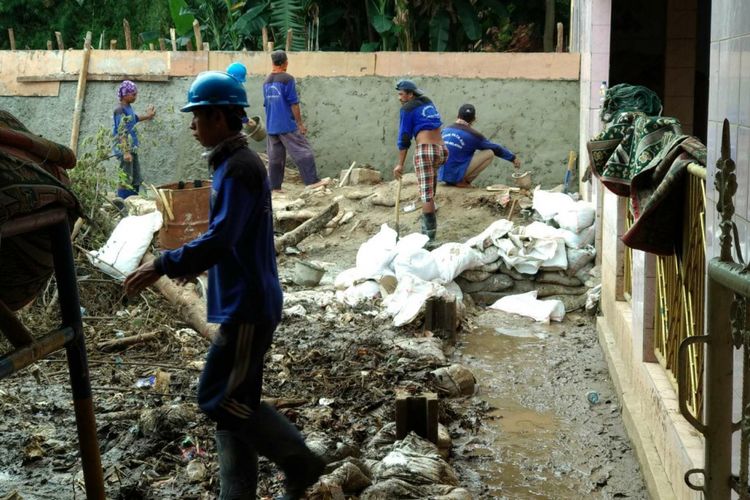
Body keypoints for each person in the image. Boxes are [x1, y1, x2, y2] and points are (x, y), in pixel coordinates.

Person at [123, 71, 324, 500]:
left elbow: (223, 236)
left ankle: (299, 460)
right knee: (235, 407)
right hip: (242, 300)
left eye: (196, 117)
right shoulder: (234, 164)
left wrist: (162, 263)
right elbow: (230, 236)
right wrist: (196, 265)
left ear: (218, 117)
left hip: (248, 306)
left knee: (217, 397)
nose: (192, 125)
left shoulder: (238, 167)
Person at [263, 50, 328, 192]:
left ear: (273, 63)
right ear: (285, 62)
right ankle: (312, 181)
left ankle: (274, 188)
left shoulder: (266, 81)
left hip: (271, 126)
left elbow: (266, 104)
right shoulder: (287, 79)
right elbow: (294, 103)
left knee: (275, 158)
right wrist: (299, 124)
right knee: (304, 151)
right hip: (286, 125)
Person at [392, 79, 447, 243]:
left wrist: (400, 164)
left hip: (426, 150)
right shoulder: (428, 103)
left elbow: (404, 138)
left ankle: (428, 239)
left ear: (410, 94)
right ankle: (429, 232)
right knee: (430, 190)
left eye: (401, 94)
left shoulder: (407, 109)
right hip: (442, 150)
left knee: (426, 195)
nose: (399, 98)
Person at [439, 104, 521, 187]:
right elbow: (495, 148)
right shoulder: (473, 135)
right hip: (455, 174)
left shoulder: (445, 130)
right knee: (489, 153)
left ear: (457, 116)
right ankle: (464, 182)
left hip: (441, 174)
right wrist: (512, 158)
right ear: (474, 119)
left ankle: (453, 179)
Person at [112, 80, 155, 199]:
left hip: (131, 148)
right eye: (134, 94)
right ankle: (123, 202)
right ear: (125, 95)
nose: (136, 96)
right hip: (124, 149)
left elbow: (134, 119)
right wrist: (125, 151)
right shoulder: (119, 110)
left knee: (135, 176)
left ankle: (134, 201)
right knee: (125, 177)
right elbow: (122, 131)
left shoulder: (128, 107)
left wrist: (148, 116)